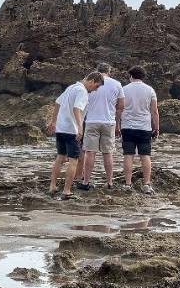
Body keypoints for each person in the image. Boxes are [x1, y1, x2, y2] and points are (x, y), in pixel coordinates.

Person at [45, 72, 104, 200]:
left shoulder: (71, 87)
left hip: (61, 128)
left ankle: (52, 186)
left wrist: (53, 121)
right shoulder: (82, 91)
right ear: (92, 81)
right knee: (73, 160)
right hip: (72, 130)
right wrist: (80, 127)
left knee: (60, 157)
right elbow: (76, 109)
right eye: (96, 86)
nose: (95, 90)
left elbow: (57, 103)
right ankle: (66, 191)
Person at [76, 62, 124, 190]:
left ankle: (85, 182)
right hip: (109, 122)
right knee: (108, 153)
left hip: (91, 121)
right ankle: (109, 182)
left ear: (97, 71)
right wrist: (118, 123)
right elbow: (120, 106)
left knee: (90, 152)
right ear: (109, 71)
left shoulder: (90, 83)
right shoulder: (117, 84)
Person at [119, 66, 161, 194]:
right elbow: (154, 111)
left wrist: (117, 125)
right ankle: (146, 184)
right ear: (143, 77)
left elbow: (119, 109)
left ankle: (128, 184)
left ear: (131, 76)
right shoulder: (150, 90)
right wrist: (157, 127)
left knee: (128, 155)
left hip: (127, 127)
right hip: (144, 127)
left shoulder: (124, 90)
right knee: (145, 156)